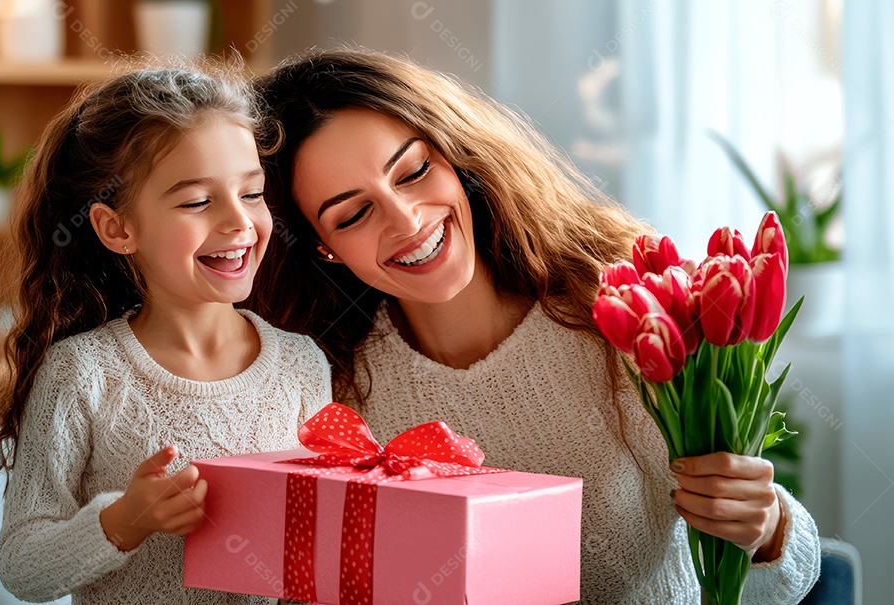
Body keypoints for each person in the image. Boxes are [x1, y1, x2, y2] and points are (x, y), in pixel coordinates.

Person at [248, 48, 820, 603]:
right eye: (354, 213)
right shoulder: (326, 385)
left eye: (415, 171)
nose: (408, 220)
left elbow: (779, 582)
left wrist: (768, 529)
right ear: (323, 247)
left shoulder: (618, 319)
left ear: (454, 156)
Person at [0, 63, 331, 605]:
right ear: (118, 229)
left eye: (252, 193)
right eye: (196, 201)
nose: (239, 222)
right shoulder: (82, 372)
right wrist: (123, 521)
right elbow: (22, 568)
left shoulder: (302, 364)